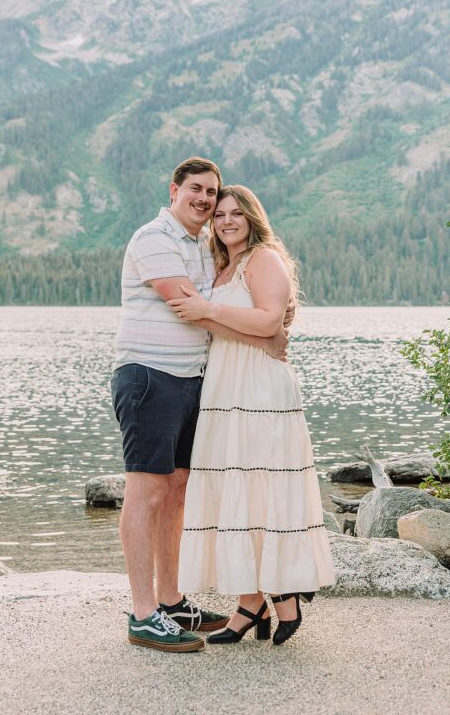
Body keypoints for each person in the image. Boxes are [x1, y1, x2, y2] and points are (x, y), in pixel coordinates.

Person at [111, 158, 289, 653]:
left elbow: (216, 307)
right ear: (174, 189)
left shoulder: (200, 247)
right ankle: (144, 614)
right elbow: (192, 309)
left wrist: (266, 333)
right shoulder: (154, 239)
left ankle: (172, 602)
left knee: (178, 490)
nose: (205, 199)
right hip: (149, 376)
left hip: (192, 382)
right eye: (197, 189)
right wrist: (266, 339)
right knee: (147, 492)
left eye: (211, 192)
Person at [169, 184, 335, 646]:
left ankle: (281, 596)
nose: (226, 220)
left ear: (252, 218)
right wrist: (208, 312)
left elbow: (268, 321)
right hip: (224, 386)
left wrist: (209, 310)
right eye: (219, 214)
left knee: (262, 487)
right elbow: (219, 324)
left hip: (261, 387)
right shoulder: (222, 267)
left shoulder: (264, 258)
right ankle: (251, 601)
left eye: (236, 213)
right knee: (231, 490)